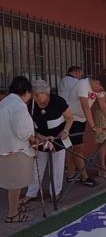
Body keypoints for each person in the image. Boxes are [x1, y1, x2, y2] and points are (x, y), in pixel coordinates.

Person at [20, 80, 73, 204]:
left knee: (57, 167)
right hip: (40, 139)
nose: (36, 98)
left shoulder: (58, 101)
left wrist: (66, 131)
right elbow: (29, 125)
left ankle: (55, 192)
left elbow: (70, 117)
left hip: (58, 139)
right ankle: (31, 193)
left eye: (38, 95)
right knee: (37, 167)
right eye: (34, 95)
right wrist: (39, 136)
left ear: (46, 93)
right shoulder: (31, 105)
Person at [67, 77, 106, 186]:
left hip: (82, 119)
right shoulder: (83, 84)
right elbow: (85, 106)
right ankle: (84, 177)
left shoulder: (99, 88)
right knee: (78, 148)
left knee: (75, 147)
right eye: (100, 89)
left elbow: (103, 105)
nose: (99, 92)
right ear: (97, 82)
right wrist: (93, 126)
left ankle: (70, 175)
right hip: (72, 118)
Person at [0, 76, 35, 223]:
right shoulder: (19, 105)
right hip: (17, 148)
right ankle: (12, 214)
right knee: (15, 183)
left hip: (6, 147)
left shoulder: (5, 102)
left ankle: (15, 208)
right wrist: (32, 138)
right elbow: (22, 130)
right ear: (26, 92)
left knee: (12, 182)